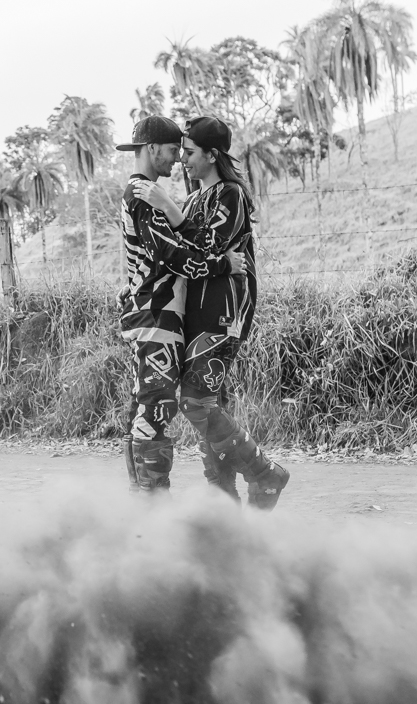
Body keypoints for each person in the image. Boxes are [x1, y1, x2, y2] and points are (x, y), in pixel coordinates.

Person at [131, 116, 289, 509]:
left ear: (211, 155)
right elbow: (184, 252)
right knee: (206, 405)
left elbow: (207, 247)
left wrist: (169, 206)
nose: (182, 159)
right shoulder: (195, 197)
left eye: (188, 152)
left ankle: (265, 472)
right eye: (180, 152)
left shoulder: (230, 194)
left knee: (195, 402)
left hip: (224, 313)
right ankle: (226, 506)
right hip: (195, 314)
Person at [115, 115, 235, 492]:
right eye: (171, 151)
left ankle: (142, 501)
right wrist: (223, 264)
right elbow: (170, 254)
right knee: (156, 406)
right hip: (157, 315)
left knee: (146, 404)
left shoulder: (143, 193)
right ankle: (151, 507)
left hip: (153, 312)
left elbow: (151, 256)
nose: (177, 159)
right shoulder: (146, 195)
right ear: (152, 150)